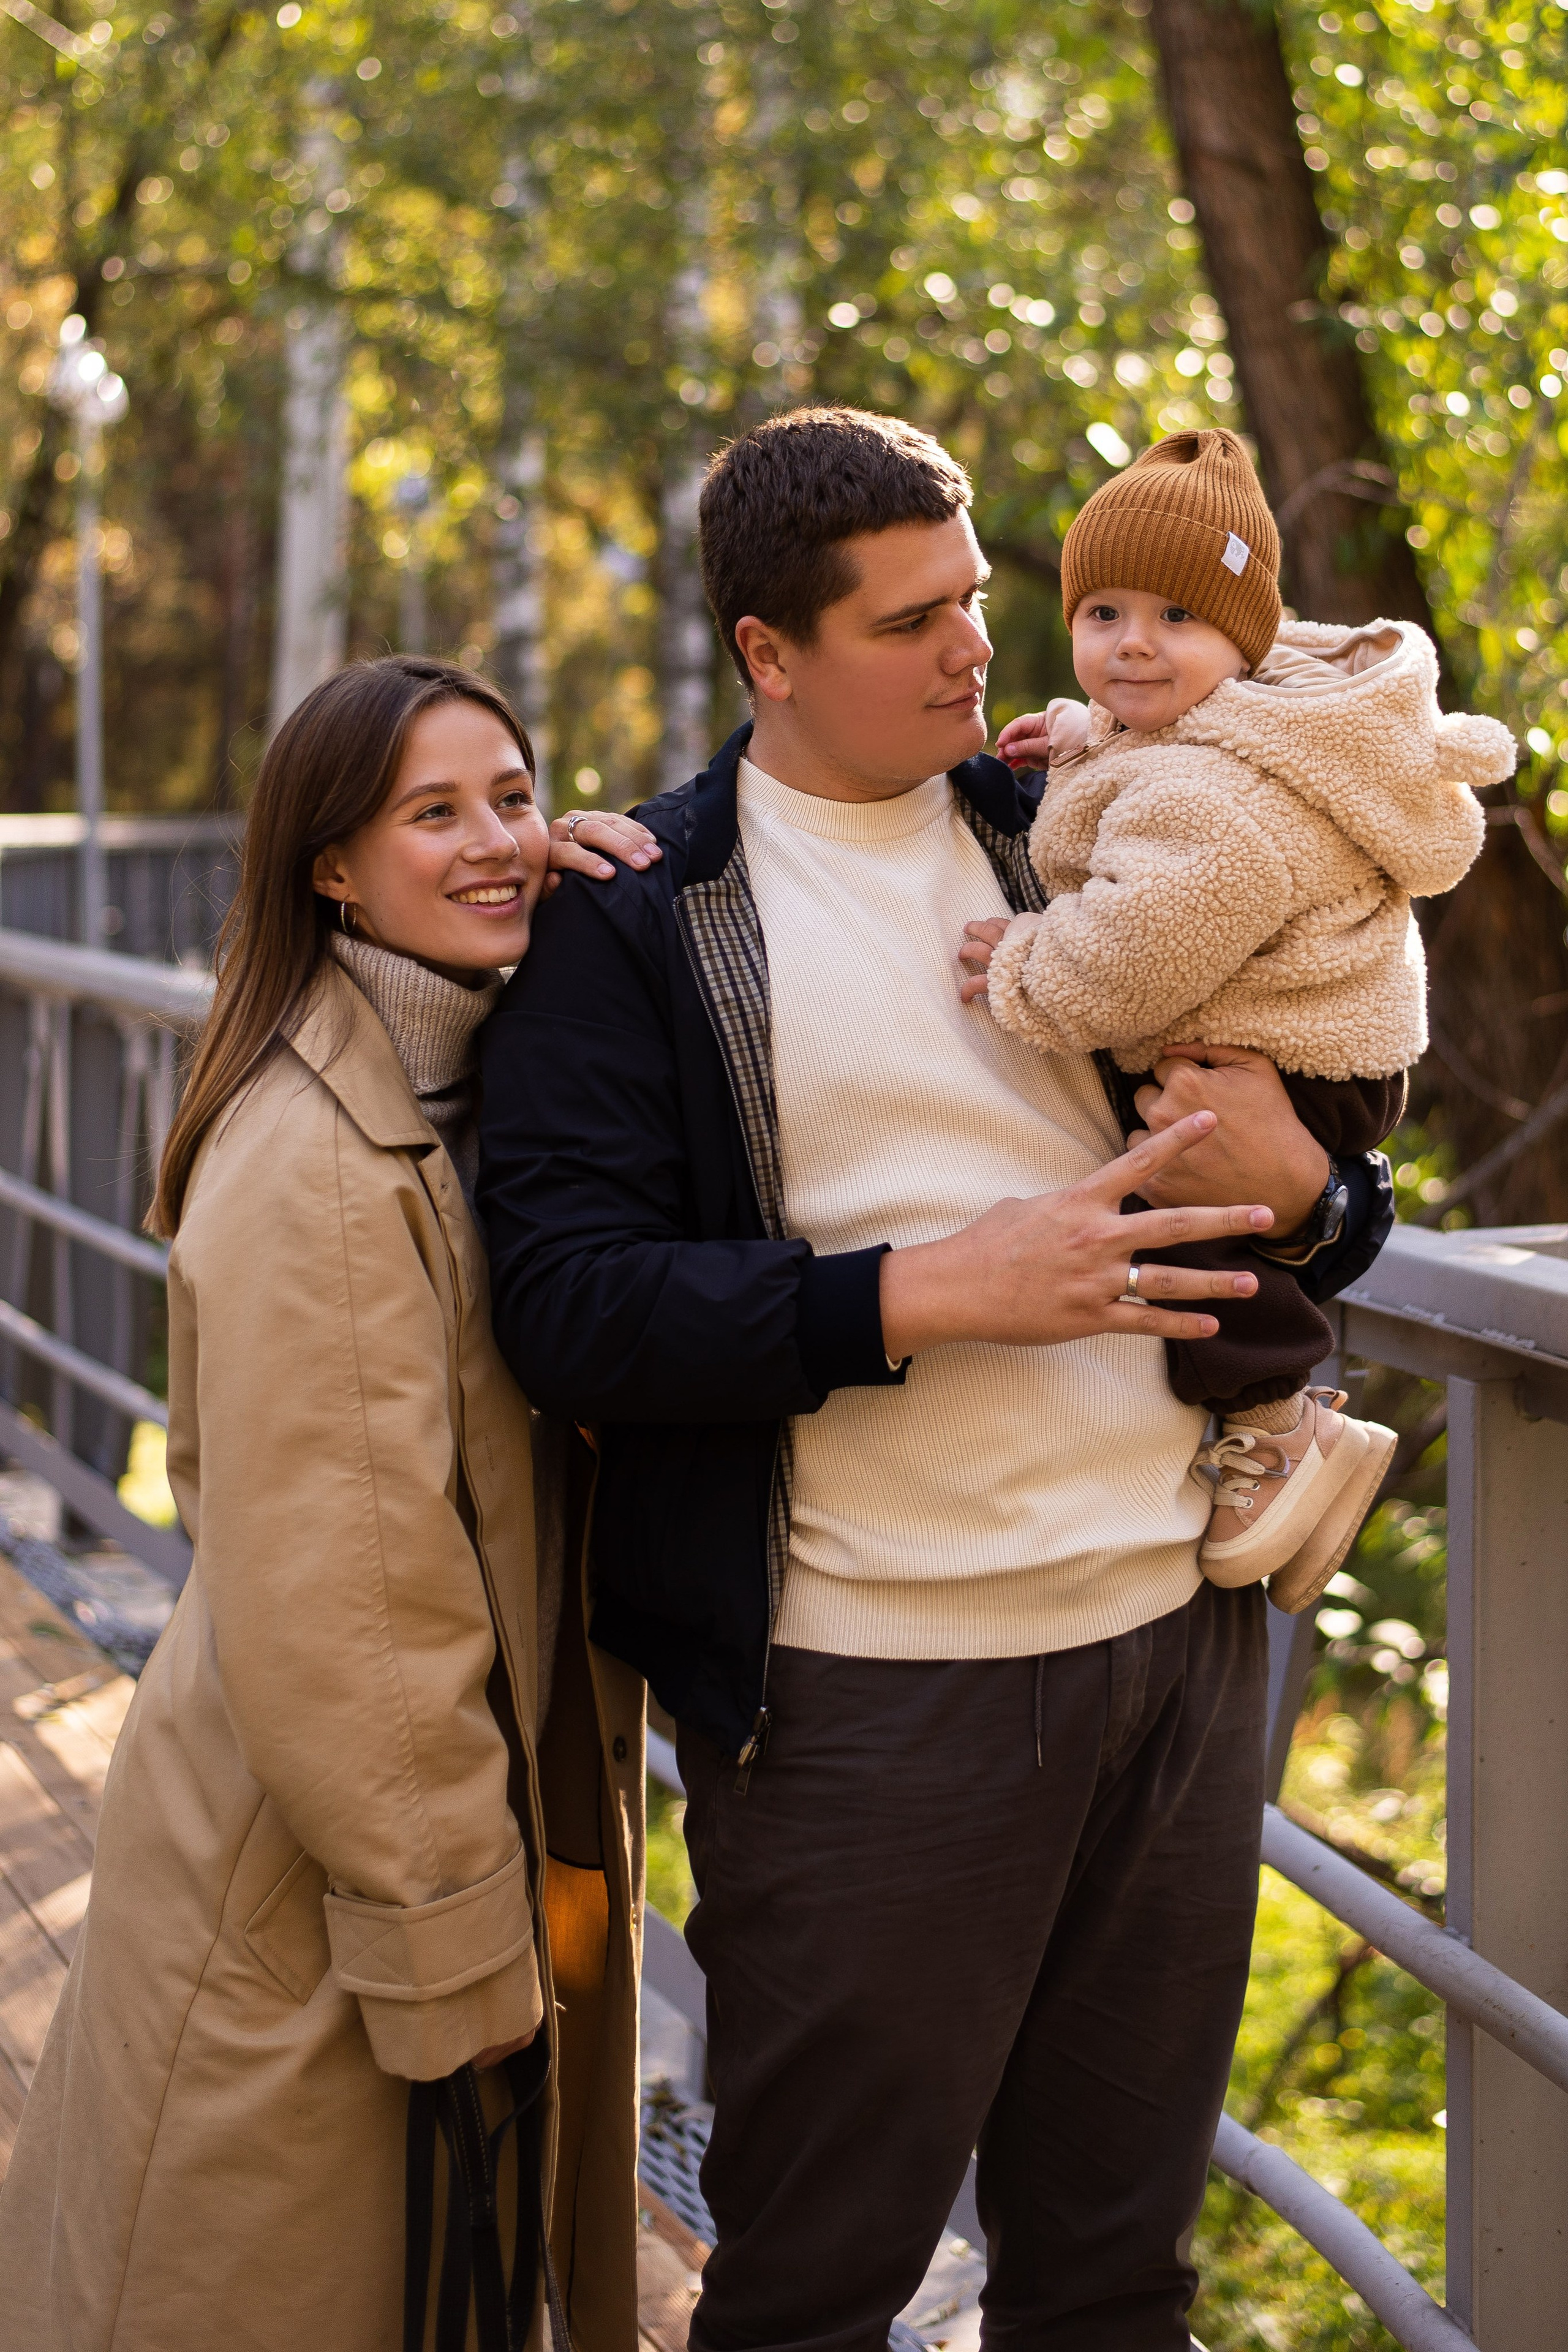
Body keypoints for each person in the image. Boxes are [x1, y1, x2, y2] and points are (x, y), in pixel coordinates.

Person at [477, 407, 1395, 2351]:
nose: (980, 654)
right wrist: (920, 1293)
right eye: (912, 624)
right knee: (816, 2288)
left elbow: (1326, 1155)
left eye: (977, 602)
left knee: (1118, 2284)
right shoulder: (634, 918)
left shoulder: (1100, 820)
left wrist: (1318, 1190)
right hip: (866, 1709)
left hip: (1181, 1658)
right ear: (768, 654)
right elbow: (571, 1307)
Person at [0, 656, 655, 2352]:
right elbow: (354, 1613)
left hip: (344, 1852)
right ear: (332, 869)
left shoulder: (449, 1069)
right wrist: (458, 1958)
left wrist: (596, 906)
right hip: (321, 1903)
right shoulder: (319, 1167)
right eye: (431, 813)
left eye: (513, 796)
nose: (496, 840)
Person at [961, 427, 1509, 1607]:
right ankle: (1288, 1443)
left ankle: (1278, 1425)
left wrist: (1023, 960)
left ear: (1242, 640)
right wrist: (1079, 734)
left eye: (1176, 619)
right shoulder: (1214, 731)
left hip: (1287, 1054)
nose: (1133, 646)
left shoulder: (1217, 799)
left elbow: (1129, 956)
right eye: (1102, 615)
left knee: (1185, 1227)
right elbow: (1164, 738)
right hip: (1300, 1034)